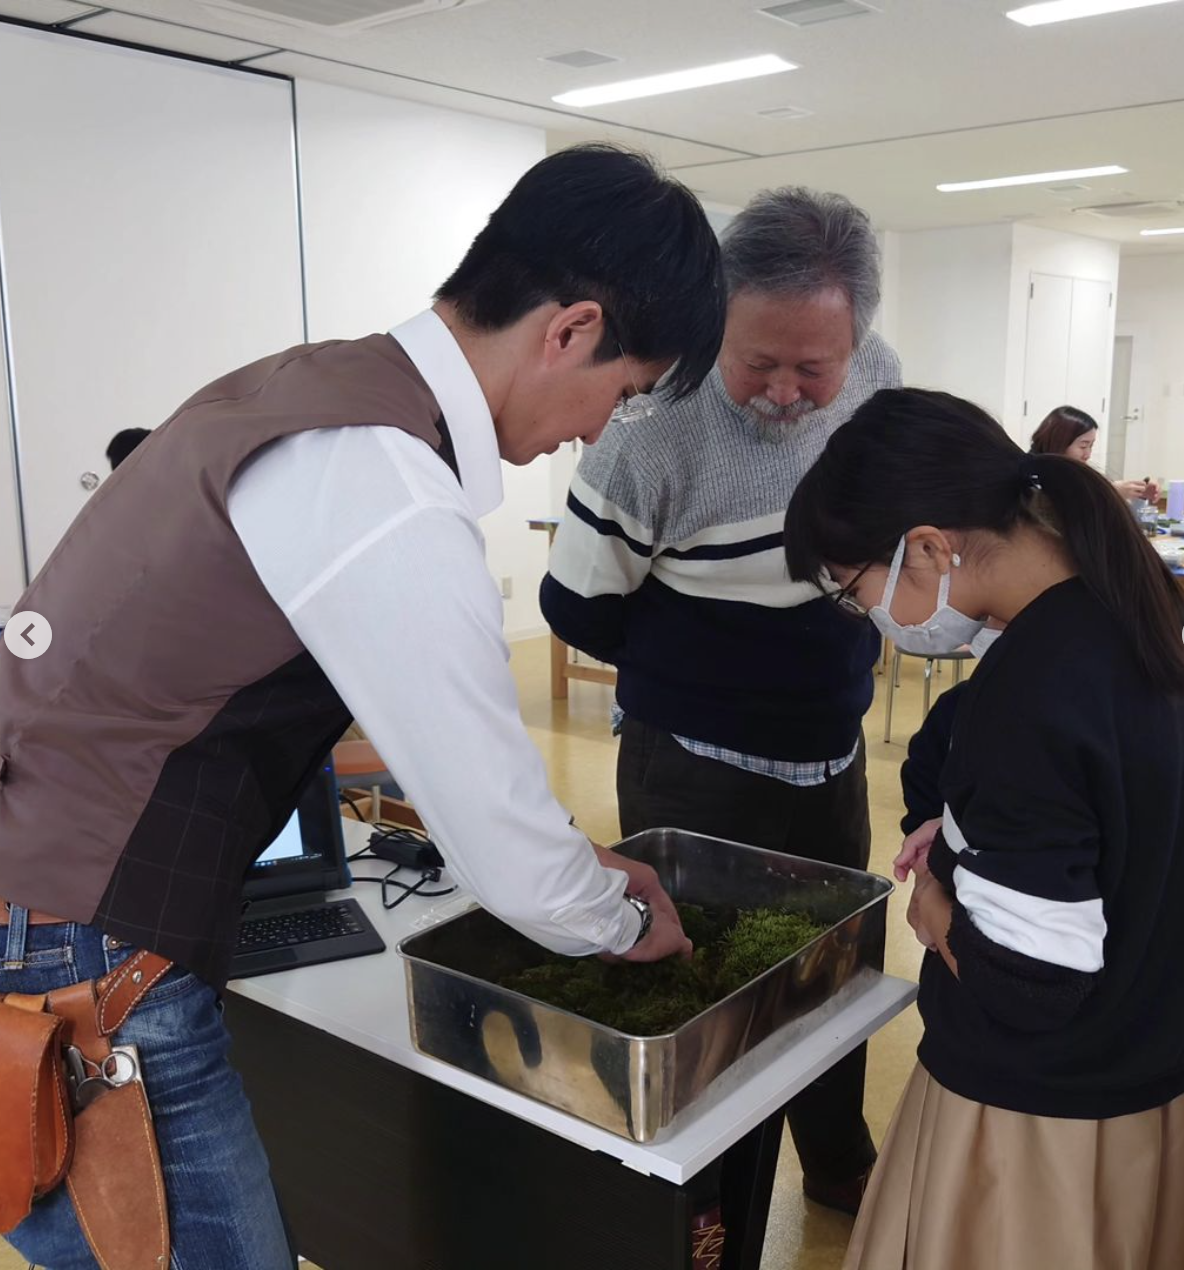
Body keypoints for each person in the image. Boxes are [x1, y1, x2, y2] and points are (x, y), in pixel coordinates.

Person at [0, 144, 725, 1270]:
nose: (594, 430)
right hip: (86, 942)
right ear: (571, 328)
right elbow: (508, 854)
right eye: (622, 396)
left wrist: (563, 861)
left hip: (49, 895)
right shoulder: (381, 477)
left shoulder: (313, 386)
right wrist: (621, 923)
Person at [540, 187, 902, 1223]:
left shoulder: (875, 378)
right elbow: (576, 606)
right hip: (692, 763)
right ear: (714, 321)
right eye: (758, 361)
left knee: (832, 976)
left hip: (828, 756)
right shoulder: (646, 433)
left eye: (812, 366)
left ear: (856, 342)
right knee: (698, 991)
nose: (786, 391)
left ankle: (837, 1168)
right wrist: (708, 666)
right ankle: (703, 1211)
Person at [786, 387, 1184, 1270]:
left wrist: (934, 907)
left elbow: (1027, 985)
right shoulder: (1125, 608)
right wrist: (965, 833)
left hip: (1038, 1118)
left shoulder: (1033, 691)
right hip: (1144, 1072)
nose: (871, 619)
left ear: (928, 545)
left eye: (859, 592)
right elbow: (1106, 829)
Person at [1030, 404, 1157, 502]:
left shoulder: (1073, 471)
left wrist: (1140, 492)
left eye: (1091, 446)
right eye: (1083, 446)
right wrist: (1109, 493)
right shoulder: (1032, 476)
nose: (1088, 454)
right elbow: (1060, 511)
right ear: (1059, 441)